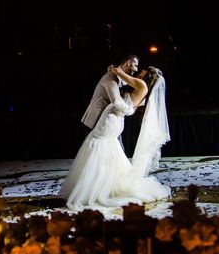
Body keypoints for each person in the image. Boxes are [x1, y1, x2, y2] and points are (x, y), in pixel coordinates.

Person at [59, 65, 171, 212]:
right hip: (114, 119)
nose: (139, 70)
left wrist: (114, 69)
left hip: (112, 119)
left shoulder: (142, 84)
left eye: (142, 70)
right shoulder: (140, 86)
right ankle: (107, 186)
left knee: (99, 145)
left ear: (148, 75)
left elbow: (119, 73)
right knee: (108, 149)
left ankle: (96, 190)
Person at [81, 54, 139, 132]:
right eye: (135, 65)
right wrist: (130, 110)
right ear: (128, 63)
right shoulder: (111, 76)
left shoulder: (118, 76)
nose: (136, 69)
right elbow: (116, 100)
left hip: (107, 121)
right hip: (95, 120)